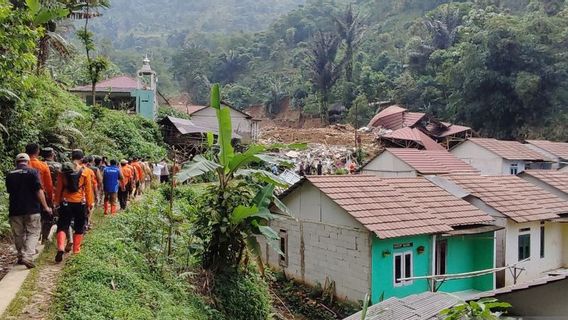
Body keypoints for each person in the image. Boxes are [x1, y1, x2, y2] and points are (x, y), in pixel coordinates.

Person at [6, 153, 52, 269]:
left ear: (16, 162)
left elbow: (9, 191)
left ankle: (21, 256)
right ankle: (28, 256)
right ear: (27, 162)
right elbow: (39, 190)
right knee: (33, 232)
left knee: (18, 234)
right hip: (32, 209)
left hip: (15, 209)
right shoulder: (33, 172)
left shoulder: (10, 174)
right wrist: (46, 207)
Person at [54, 149, 94, 263]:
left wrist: (56, 201)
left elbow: (59, 188)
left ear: (71, 157)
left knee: (62, 225)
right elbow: (88, 189)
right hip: (80, 202)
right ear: (82, 159)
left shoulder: (63, 170)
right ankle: (76, 250)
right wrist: (90, 203)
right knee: (79, 226)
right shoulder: (86, 171)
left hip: (66, 201)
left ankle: (61, 247)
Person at [26, 143, 54, 243]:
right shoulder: (42, 165)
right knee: (45, 217)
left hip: (24, 196)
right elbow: (48, 185)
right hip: (41, 195)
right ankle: (43, 238)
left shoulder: (23, 165)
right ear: (37, 151)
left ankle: (32, 239)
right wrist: (50, 199)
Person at [40, 147, 61, 244]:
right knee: (50, 216)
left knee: (39, 215)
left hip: (38, 192)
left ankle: (38, 236)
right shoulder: (58, 166)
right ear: (52, 154)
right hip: (54, 193)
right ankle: (44, 237)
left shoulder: (38, 164)